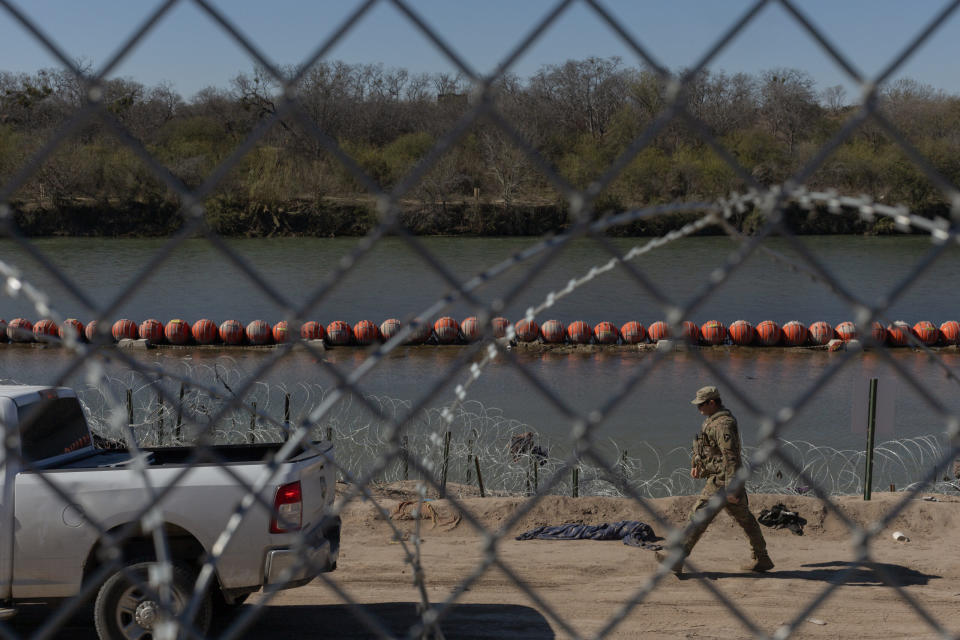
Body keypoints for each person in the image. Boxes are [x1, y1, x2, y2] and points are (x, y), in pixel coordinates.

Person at [655, 385, 773, 576]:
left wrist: (732, 487)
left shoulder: (722, 424)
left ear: (712, 402)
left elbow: (730, 456)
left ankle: (676, 559)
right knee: (745, 519)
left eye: (701, 404)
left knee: (698, 515)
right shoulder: (713, 421)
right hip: (724, 478)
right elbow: (709, 449)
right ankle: (762, 557)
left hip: (722, 481)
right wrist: (698, 465)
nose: (698, 408)